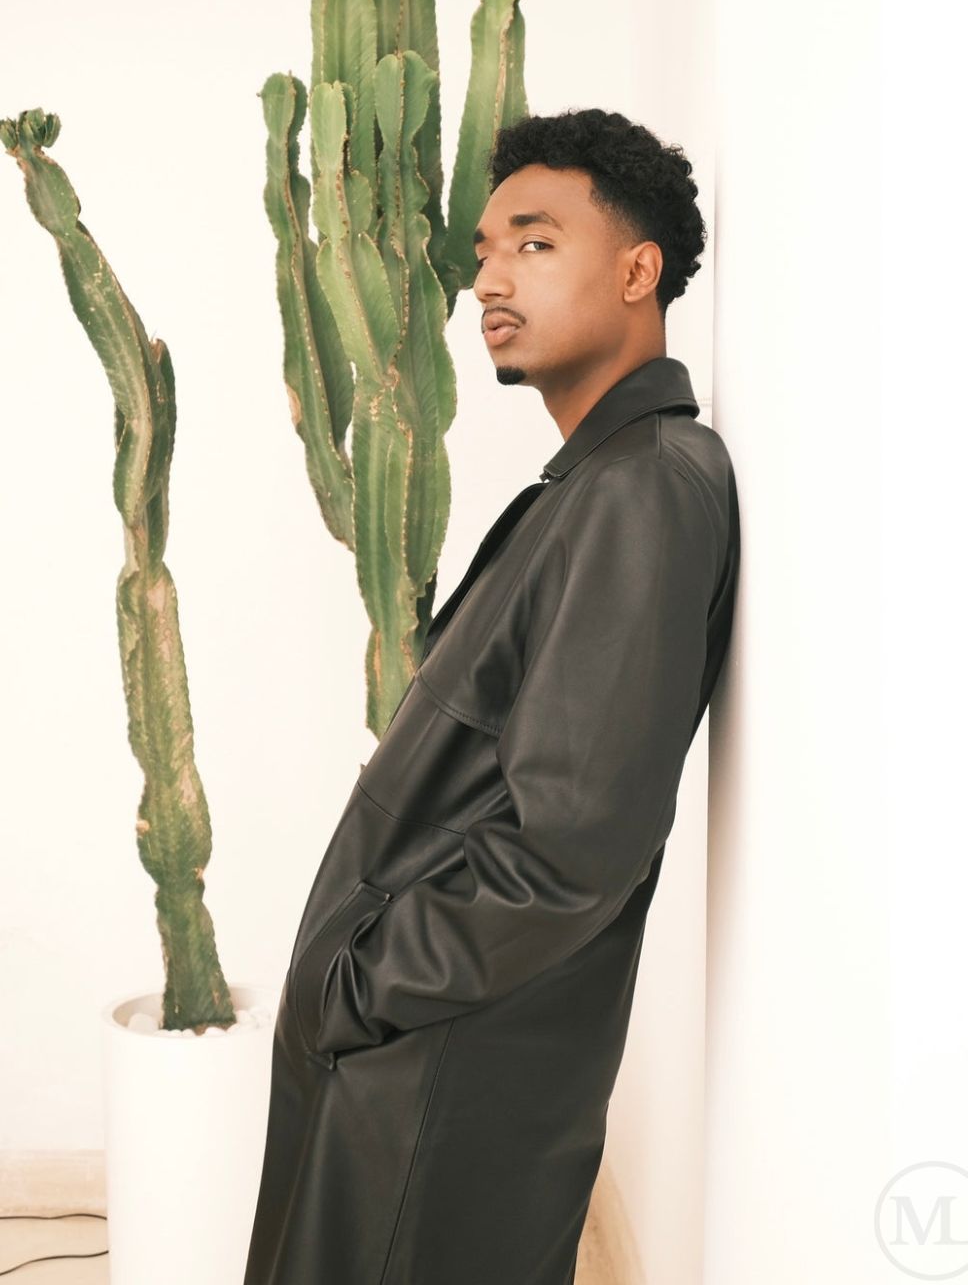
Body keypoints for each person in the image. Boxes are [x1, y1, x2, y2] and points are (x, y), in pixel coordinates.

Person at [244, 107, 740, 1285]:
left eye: (533, 240)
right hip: (424, 1065)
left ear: (637, 270)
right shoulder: (599, 482)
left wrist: (360, 983)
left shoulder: (641, 490)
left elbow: (570, 845)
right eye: (482, 249)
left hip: (438, 1081)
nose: (488, 278)